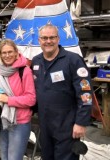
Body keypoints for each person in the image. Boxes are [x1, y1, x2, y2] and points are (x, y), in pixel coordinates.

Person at [31, 24, 92, 160]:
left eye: (52, 37)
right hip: (45, 125)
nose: (48, 41)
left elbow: (85, 93)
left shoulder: (73, 60)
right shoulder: (36, 62)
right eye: (44, 38)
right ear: (39, 40)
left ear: (58, 39)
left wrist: (81, 122)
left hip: (67, 125)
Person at [0, 39, 36, 160]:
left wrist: (7, 100)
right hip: (3, 119)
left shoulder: (25, 71)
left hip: (20, 122)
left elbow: (31, 99)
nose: (7, 55)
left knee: (14, 158)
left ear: (16, 53)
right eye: (4, 53)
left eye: (10, 52)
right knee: (4, 156)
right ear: (0, 54)